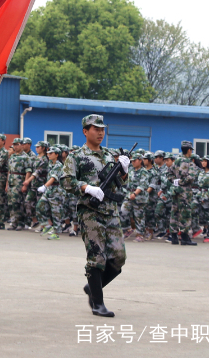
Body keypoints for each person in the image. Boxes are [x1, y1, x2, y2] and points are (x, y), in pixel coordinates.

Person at [59, 114, 129, 318]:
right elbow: (66, 181)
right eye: (95, 129)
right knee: (96, 257)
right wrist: (87, 187)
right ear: (85, 131)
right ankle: (98, 304)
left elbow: (121, 183)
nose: (100, 132)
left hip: (110, 211)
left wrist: (123, 170)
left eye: (102, 129)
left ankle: (93, 287)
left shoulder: (109, 155)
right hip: (90, 211)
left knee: (118, 257)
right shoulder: (76, 156)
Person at [168, 141, 199, 246]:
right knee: (185, 213)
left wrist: (175, 181)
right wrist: (181, 182)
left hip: (175, 190)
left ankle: (174, 237)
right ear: (189, 150)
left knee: (175, 212)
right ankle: (185, 237)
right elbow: (191, 177)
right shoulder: (190, 163)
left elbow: (168, 173)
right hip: (185, 191)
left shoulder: (176, 162)